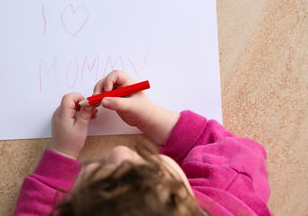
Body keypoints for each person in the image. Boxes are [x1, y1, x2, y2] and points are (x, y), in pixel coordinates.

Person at [14, 70, 273, 216]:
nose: (120, 151)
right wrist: (150, 116)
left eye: (101, 175)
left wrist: (62, 153)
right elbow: (235, 152)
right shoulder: (231, 198)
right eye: (149, 169)